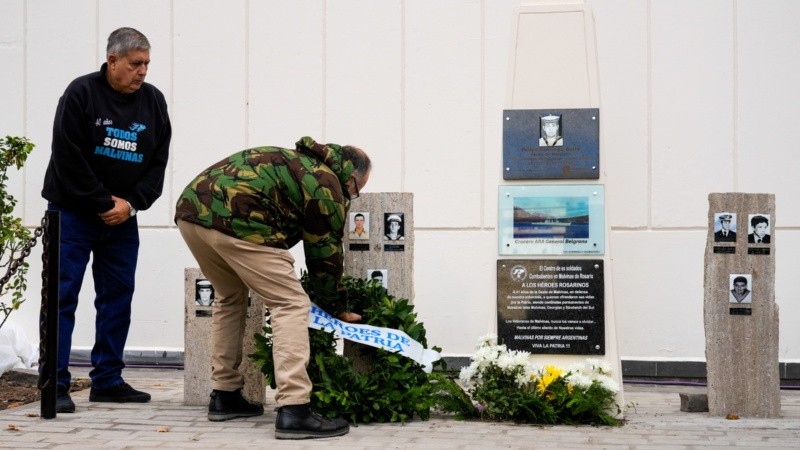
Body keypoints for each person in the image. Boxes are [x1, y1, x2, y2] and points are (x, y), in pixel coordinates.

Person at [175, 136, 370, 440]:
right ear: (352, 177)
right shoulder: (327, 183)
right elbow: (325, 254)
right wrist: (335, 306)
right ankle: (295, 409)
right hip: (241, 221)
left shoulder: (298, 162)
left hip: (192, 212)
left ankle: (225, 395)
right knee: (290, 304)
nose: (353, 197)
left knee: (230, 297)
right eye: (357, 191)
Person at [41, 27, 171, 414]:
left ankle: (108, 380)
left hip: (123, 220)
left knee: (117, 299)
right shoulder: (81, 93)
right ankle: (56, 384)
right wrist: (101, 201)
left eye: (147, 63)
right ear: (113, 60)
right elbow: (67, 156)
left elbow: (158, 162)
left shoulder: (153, 102)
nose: (143, 71)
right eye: (135, 63)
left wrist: (131, 205)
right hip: (72, 215)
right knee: (61, 299)